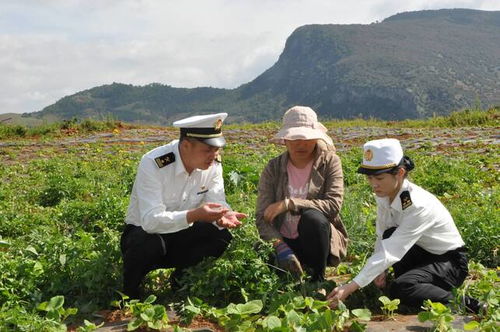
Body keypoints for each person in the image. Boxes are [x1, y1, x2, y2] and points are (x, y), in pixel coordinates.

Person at [327, 138, 481, 313]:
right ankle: (420, 287)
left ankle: (468, 304)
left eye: (379, 178)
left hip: (449, 262)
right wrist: (380, 270)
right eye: (369, 177)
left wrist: (350, 286)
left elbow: (392, 250)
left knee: (402, 288)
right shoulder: (384, 194)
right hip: (421, 253)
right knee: (388, 234)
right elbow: (382, 235)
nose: (373, 184)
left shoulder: (418, 205)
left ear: (400, 172)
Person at [120, 113, 246, 298]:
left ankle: (180, 281)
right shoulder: (154, 164)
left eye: (217, 149)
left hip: (182, 232)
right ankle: (130, 293)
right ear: (186, 145)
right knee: (146, 244)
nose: (214, 155)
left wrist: (222, 214)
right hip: (146, 233)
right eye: (208, 150)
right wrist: (194, 215)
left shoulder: (213, 164)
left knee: (219, 236)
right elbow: (150, 221)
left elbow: (216, 199)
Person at [255, 106, 348, 282]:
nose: (301, 144)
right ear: (285, 140)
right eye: (294, 138)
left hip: (318, 242)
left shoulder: (329, 162)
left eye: (306, 138)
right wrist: (279, 245)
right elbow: (262, 215)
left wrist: (290, 203)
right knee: (259, 252)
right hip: (284, 242)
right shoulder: (273, 168)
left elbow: (333, 205)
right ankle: (289, 266)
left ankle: (318, 278)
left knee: (313, 218)